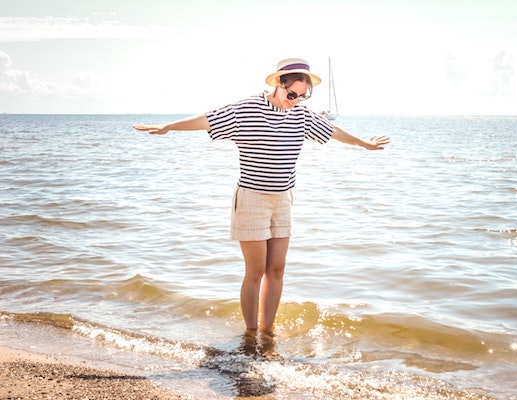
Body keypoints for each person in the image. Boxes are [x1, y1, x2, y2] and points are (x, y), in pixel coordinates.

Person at [133, 58, 390, 335]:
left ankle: (268, 332)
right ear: (279, 82)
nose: (296, 100)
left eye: (303, 96)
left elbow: (333, 131)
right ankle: (250, 332)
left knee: (277, 269)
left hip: (282, 200)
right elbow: (207, 119)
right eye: (292, 94)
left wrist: (364, 143)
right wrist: (169, 126)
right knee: (255, 271)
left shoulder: (301, 115)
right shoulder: (248, 108)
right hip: (252, 199)